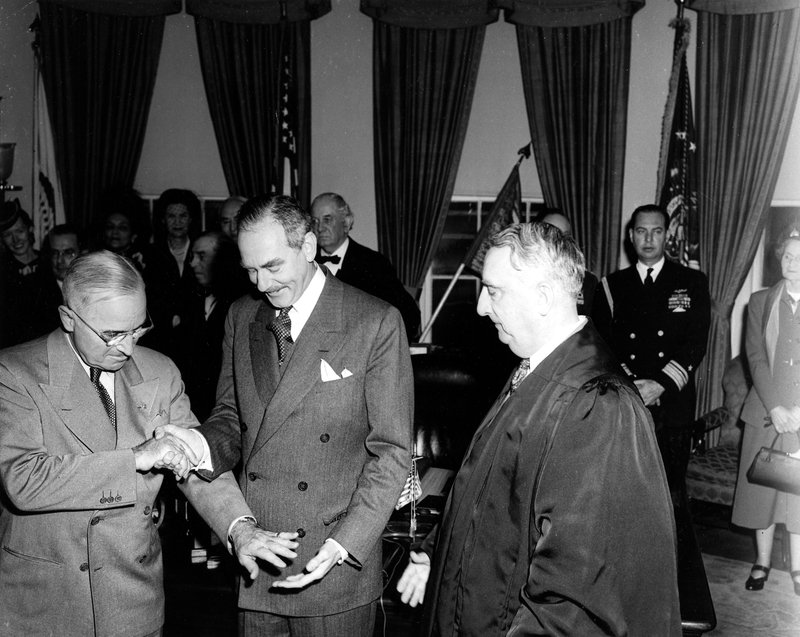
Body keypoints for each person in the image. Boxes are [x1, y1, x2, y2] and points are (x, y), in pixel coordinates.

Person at [396, 222, 680, 636]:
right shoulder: (535, 369)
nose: (480, 307)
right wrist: (433, 552)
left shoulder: (596, 404)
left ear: (544, 297)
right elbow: (488, 490)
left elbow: (577, 591)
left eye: (493, 291)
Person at [161, 194, 413, 636]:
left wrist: (344, 545)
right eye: (250, 270)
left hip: (334, 565)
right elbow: (230, 415)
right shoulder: (241, 316)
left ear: (310, 247)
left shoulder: (375, 321)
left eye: (273, 266)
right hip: (258, 558)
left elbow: (391, 453)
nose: (261, 284)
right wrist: (197, 443)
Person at [0, 250, 257, 637]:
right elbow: (23, 480)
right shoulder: (14, 373)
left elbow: (196, 461)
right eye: (112, 334)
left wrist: (239, 528)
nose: (127, 348)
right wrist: (136, 458)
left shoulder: (159, 371)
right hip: (47, 601)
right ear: (68, 318)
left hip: (132, 598)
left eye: (138, 329)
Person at [593, 204, 710, 496]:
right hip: (626, 400)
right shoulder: (611, 285)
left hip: (673, 404)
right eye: (641, 231)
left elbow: (695, 343)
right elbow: (602, 345)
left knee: (671, 496)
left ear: (667, 235)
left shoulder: (692, 282)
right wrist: (633, 386)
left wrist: (660, 385)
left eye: (656, 231)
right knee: (625, 491)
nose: (648, 239)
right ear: (631, 236)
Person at [732, 227, 800, 596]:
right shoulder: (759, 301)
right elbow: (755, 358)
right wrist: (776, 407)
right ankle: (761, 561)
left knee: (799, 494)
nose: (793, 264)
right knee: (762, 494)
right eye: (788, 256)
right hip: (764, 410)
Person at [310, 192, 421, 341]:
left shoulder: (374, 264)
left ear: (347, 223)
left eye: (327, 219)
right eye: (315, 221)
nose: (320, 228)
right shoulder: (305, 262)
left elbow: (408, 316)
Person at [173, 231, 247, 421]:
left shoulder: (240, 303)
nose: (193, 263)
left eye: (202, 256)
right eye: (192, 257)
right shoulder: (189, 299)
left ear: (223, 260)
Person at [24, 224, 82, 340]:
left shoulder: (95, 285)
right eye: (55, 253)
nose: (60, 261)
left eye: (68, 252)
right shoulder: (32, 289)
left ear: (83, 253)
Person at [0, 199, 41, 347]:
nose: (16, 239)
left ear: (30, 229)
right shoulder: (4, 270)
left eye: (20, 231)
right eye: (7, 235)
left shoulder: (48, 262)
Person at [540, 209, 598, 315]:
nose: (560, 240)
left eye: (565, 234)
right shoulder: (523, 277)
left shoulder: (587, 281)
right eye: (552, 234)